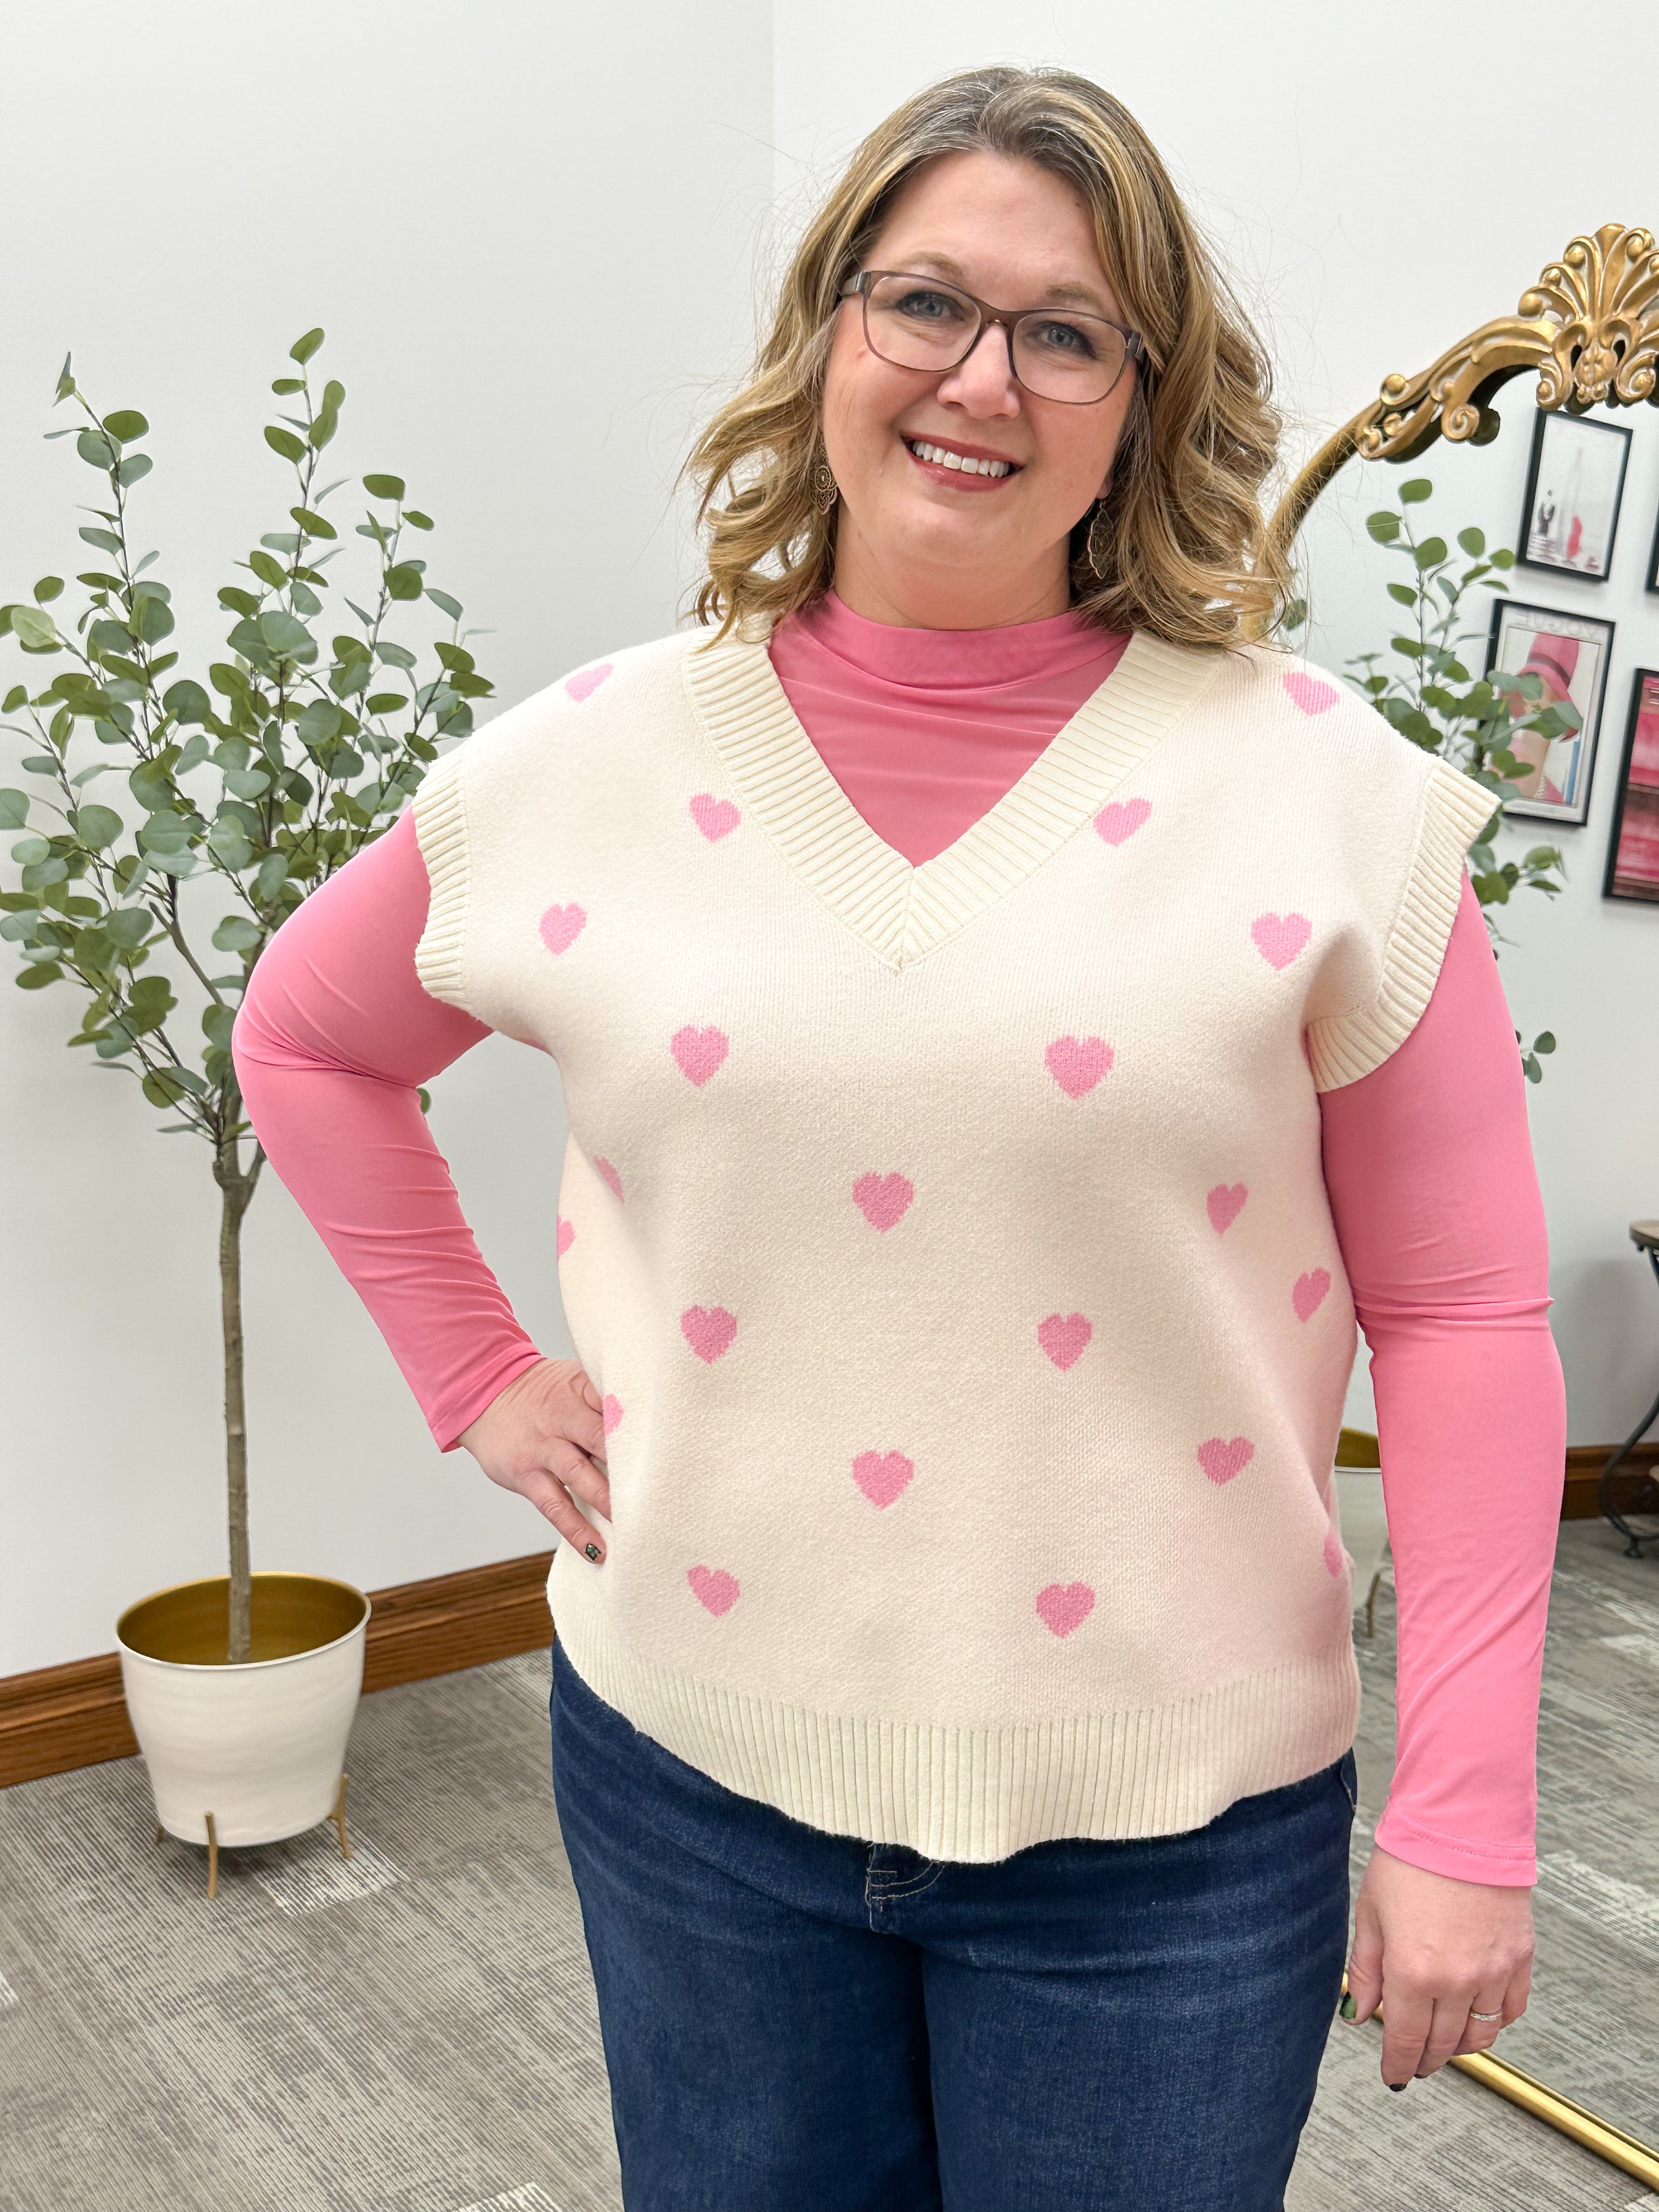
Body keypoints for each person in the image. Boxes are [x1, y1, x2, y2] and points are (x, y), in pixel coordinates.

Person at [232, 65, 1566, 2212]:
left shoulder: (1329, 803)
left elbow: (1473, 1313)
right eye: (924, 299)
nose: (982, 376)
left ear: (1144, 399)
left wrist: (1468, 1811)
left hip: (1174, 1842)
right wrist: (474, 1374)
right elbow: (307, 1037)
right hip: (694, 1773)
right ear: (828, 332)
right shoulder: (589, 762)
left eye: (1068, 330)